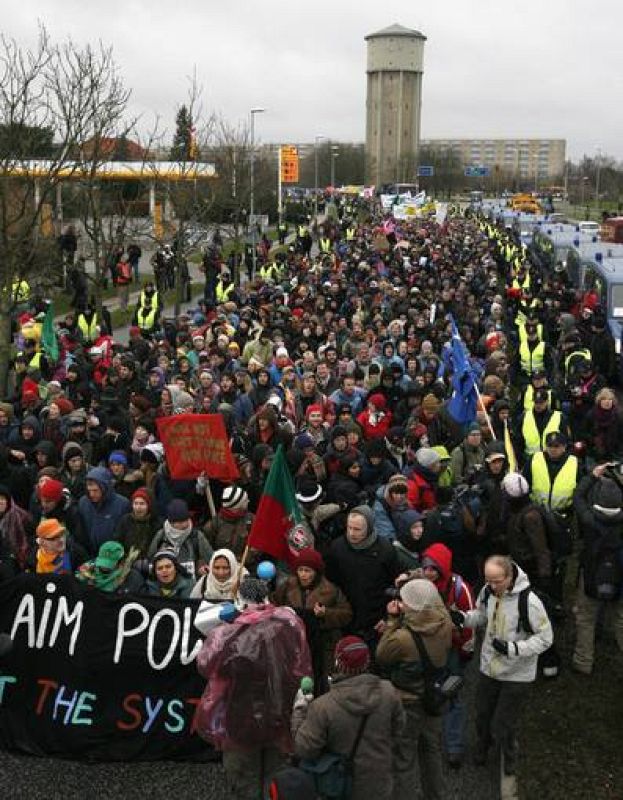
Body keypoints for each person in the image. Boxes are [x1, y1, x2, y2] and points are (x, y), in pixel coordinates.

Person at [196, 576, 311, 800]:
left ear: (240, 599)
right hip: (279, 712)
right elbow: (301, 664)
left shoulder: (227, 633)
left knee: (243, 777)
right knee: (276, 773)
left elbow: (205, 665)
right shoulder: (288, 624)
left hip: (239, 715)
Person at [454, 555, 553, 775]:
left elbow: (546, 638)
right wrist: (463, 618)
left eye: (497, 581)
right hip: (490, 668)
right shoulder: (488, 592)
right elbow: (481, 615)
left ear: (510, 577)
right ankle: (483, 745)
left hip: (518, 674)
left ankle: (510, 755)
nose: (492, 586)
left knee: (504, 723)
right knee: (482, 714)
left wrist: (513, 649)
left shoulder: (530, 602)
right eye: (488, 581)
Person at [292, 636, 405, 800]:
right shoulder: (389, 692)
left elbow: (304, 749)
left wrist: (299, 711)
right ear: (367, 662)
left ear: (338, 664)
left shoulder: (323, 707)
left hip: (340, 786)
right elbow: (398, 731)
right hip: (380, 782)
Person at [376, 578, 453, 799]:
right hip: (433, 698)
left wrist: (392, 620)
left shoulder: (402, 639)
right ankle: (436, 795)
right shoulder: (445, 622)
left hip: (408, 702)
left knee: (404, 758)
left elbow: (382, 656)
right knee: (432, 751)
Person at [419, 543, 476, 768]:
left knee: (453, 696)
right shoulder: (419, 586)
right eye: (426, 568)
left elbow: (471, 621)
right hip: (427, 649)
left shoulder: (460, 589)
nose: (429, 572)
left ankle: (454, 746)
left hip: (452, 650)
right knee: (429, 691)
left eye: (434, 568)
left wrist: (464, 650)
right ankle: (429, 739)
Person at [273, 547, 352, 693]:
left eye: (308, 571)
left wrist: (326, 614)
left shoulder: (331, 590)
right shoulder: (288, 586)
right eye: (300, 570)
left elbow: (346, 614)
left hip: (321, 646)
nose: (303, 575)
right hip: (294, 644)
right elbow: (274, 604)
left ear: (316, 572)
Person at [325, 506, 400, 653]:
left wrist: (388, 618)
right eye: (349, 528)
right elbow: (331, 584)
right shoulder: (337, 548)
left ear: (369, 528)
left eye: (357, 529)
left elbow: (396, 585)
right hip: (348, 620)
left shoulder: (386, 550)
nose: (352, 533)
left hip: (377, 621)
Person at [572, 470, 623, 674]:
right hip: (620, 573)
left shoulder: (589, 519)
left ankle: (583, 661)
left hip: (592, 573)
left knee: (586, 618)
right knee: (621, 618)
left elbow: (578, 496)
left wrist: (593, 476)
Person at [148, 498, 212, 581]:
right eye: (179, 522)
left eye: (186, 520)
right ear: (171, 523)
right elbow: (151, 559)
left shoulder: (197, 536)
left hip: (191, 583)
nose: (184, 524)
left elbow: (211, 559)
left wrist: (202, 567)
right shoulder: (160, 535)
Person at [77, 467, 131, 558]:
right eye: (89, 490)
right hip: (89, 555)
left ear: (105, 487)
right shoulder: (83, 502)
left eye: (95, 490)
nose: (92, 494)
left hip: (113, 556)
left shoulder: (122, 504)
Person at [75, 540, 145, 593]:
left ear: (120, 562)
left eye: (110, 563)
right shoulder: (85, 572)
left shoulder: (132, 578)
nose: (104, 567)